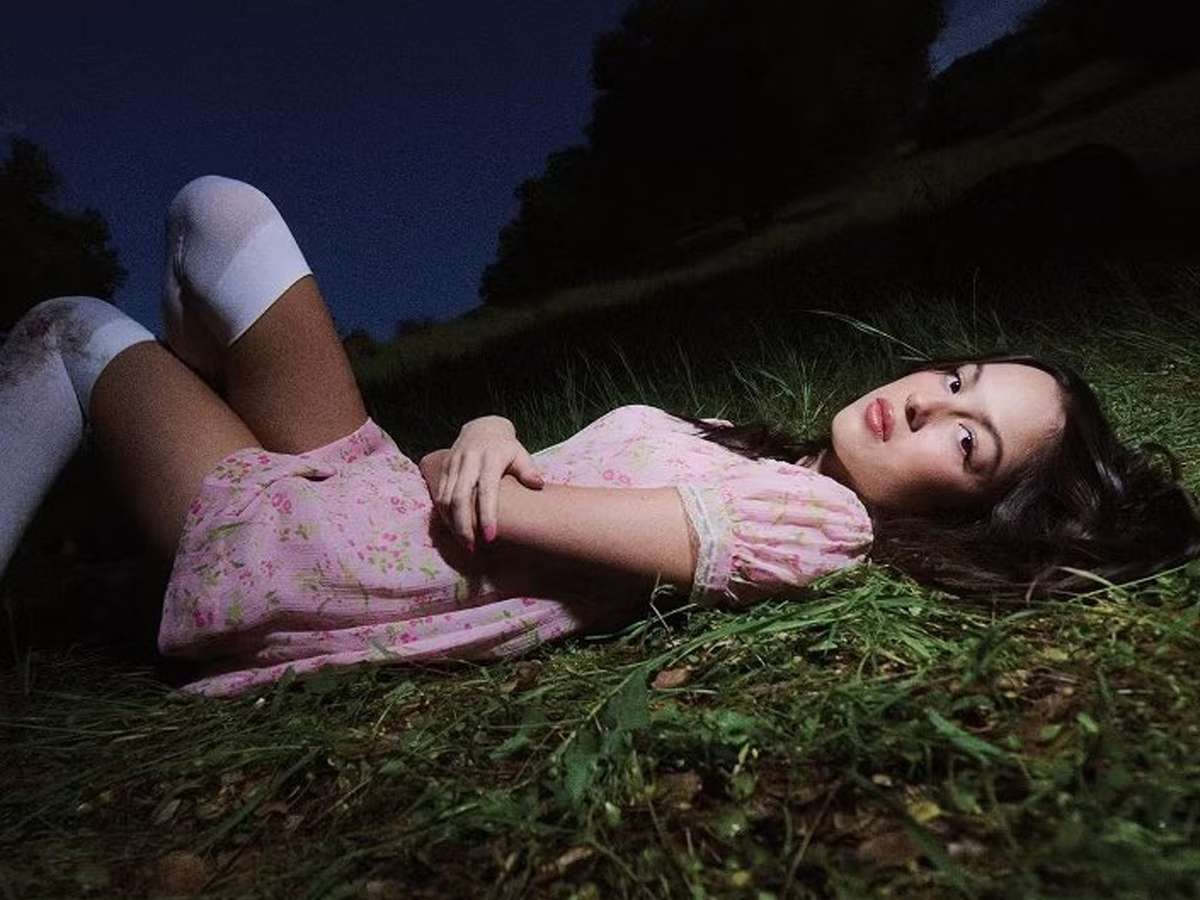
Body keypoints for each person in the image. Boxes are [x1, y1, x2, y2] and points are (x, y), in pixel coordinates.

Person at [1, 176, 1196, 698]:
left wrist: (485, 457)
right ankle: (128, 496)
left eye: (969, 444)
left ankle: (147, 505)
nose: (928, 399)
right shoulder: (744, 447)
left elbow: (501, 513)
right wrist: (485, 423)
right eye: (957, 377)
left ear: (972, 515)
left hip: (318, 553)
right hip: (375, 481)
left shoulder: (819, 523)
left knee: (68, 332)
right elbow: (461, 471)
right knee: (220, 213)